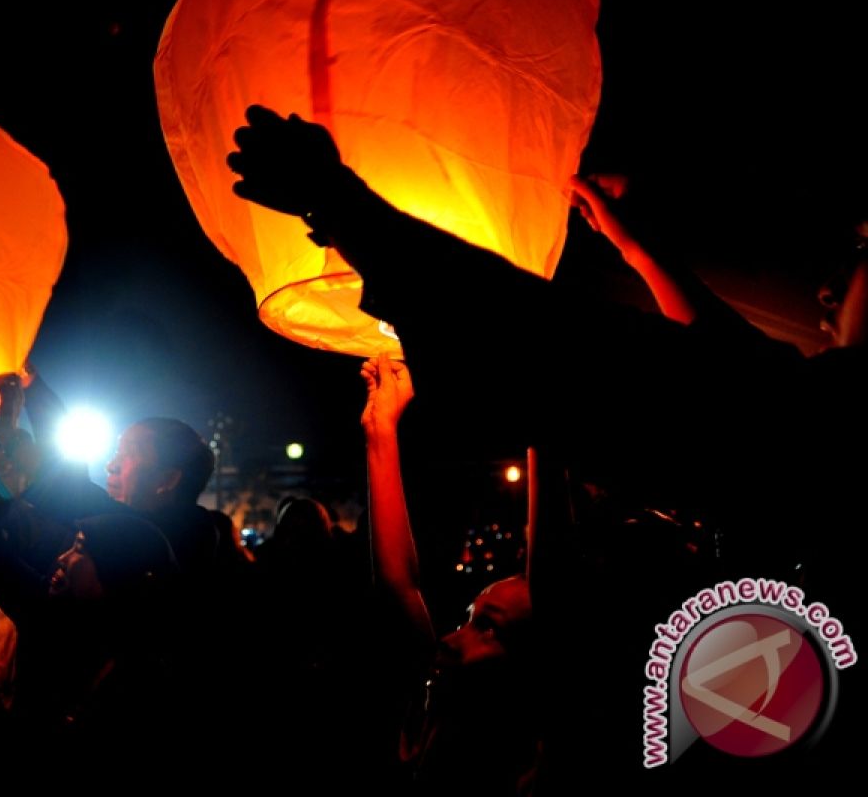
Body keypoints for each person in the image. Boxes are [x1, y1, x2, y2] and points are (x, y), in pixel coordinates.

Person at [228, 106, 865, 789]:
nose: (829, 287)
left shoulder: (824, 437)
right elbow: (731, 378)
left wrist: (347, 207)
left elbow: (586, 357)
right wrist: (642, 250)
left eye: (863, 249)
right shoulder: (812, 432)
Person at [361, 352, 537, 791]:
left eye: (489, 629)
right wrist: (380, 431)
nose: (450, 637)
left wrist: (543, 418)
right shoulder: (430, 709)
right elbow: (400, 584)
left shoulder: (527, 766)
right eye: (468, 619)